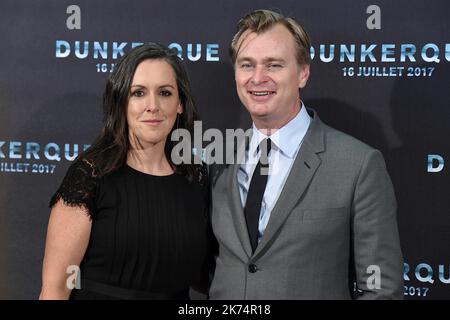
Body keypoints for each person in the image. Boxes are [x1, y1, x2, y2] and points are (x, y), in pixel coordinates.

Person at [209, 9, 404, 299]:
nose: (257, 78)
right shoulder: (218, 160)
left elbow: (381, 289)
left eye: (274, 65)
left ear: (303, 73)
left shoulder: (358, 165)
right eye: (246, 65)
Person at [40, 43, 211, 300]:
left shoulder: (195, 178)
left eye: (165, 93)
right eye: (138, 93)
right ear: (121, 102)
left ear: (180, 105)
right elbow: (55, 289)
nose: (152, 106)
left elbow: (205, 276)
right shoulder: (91, 175)